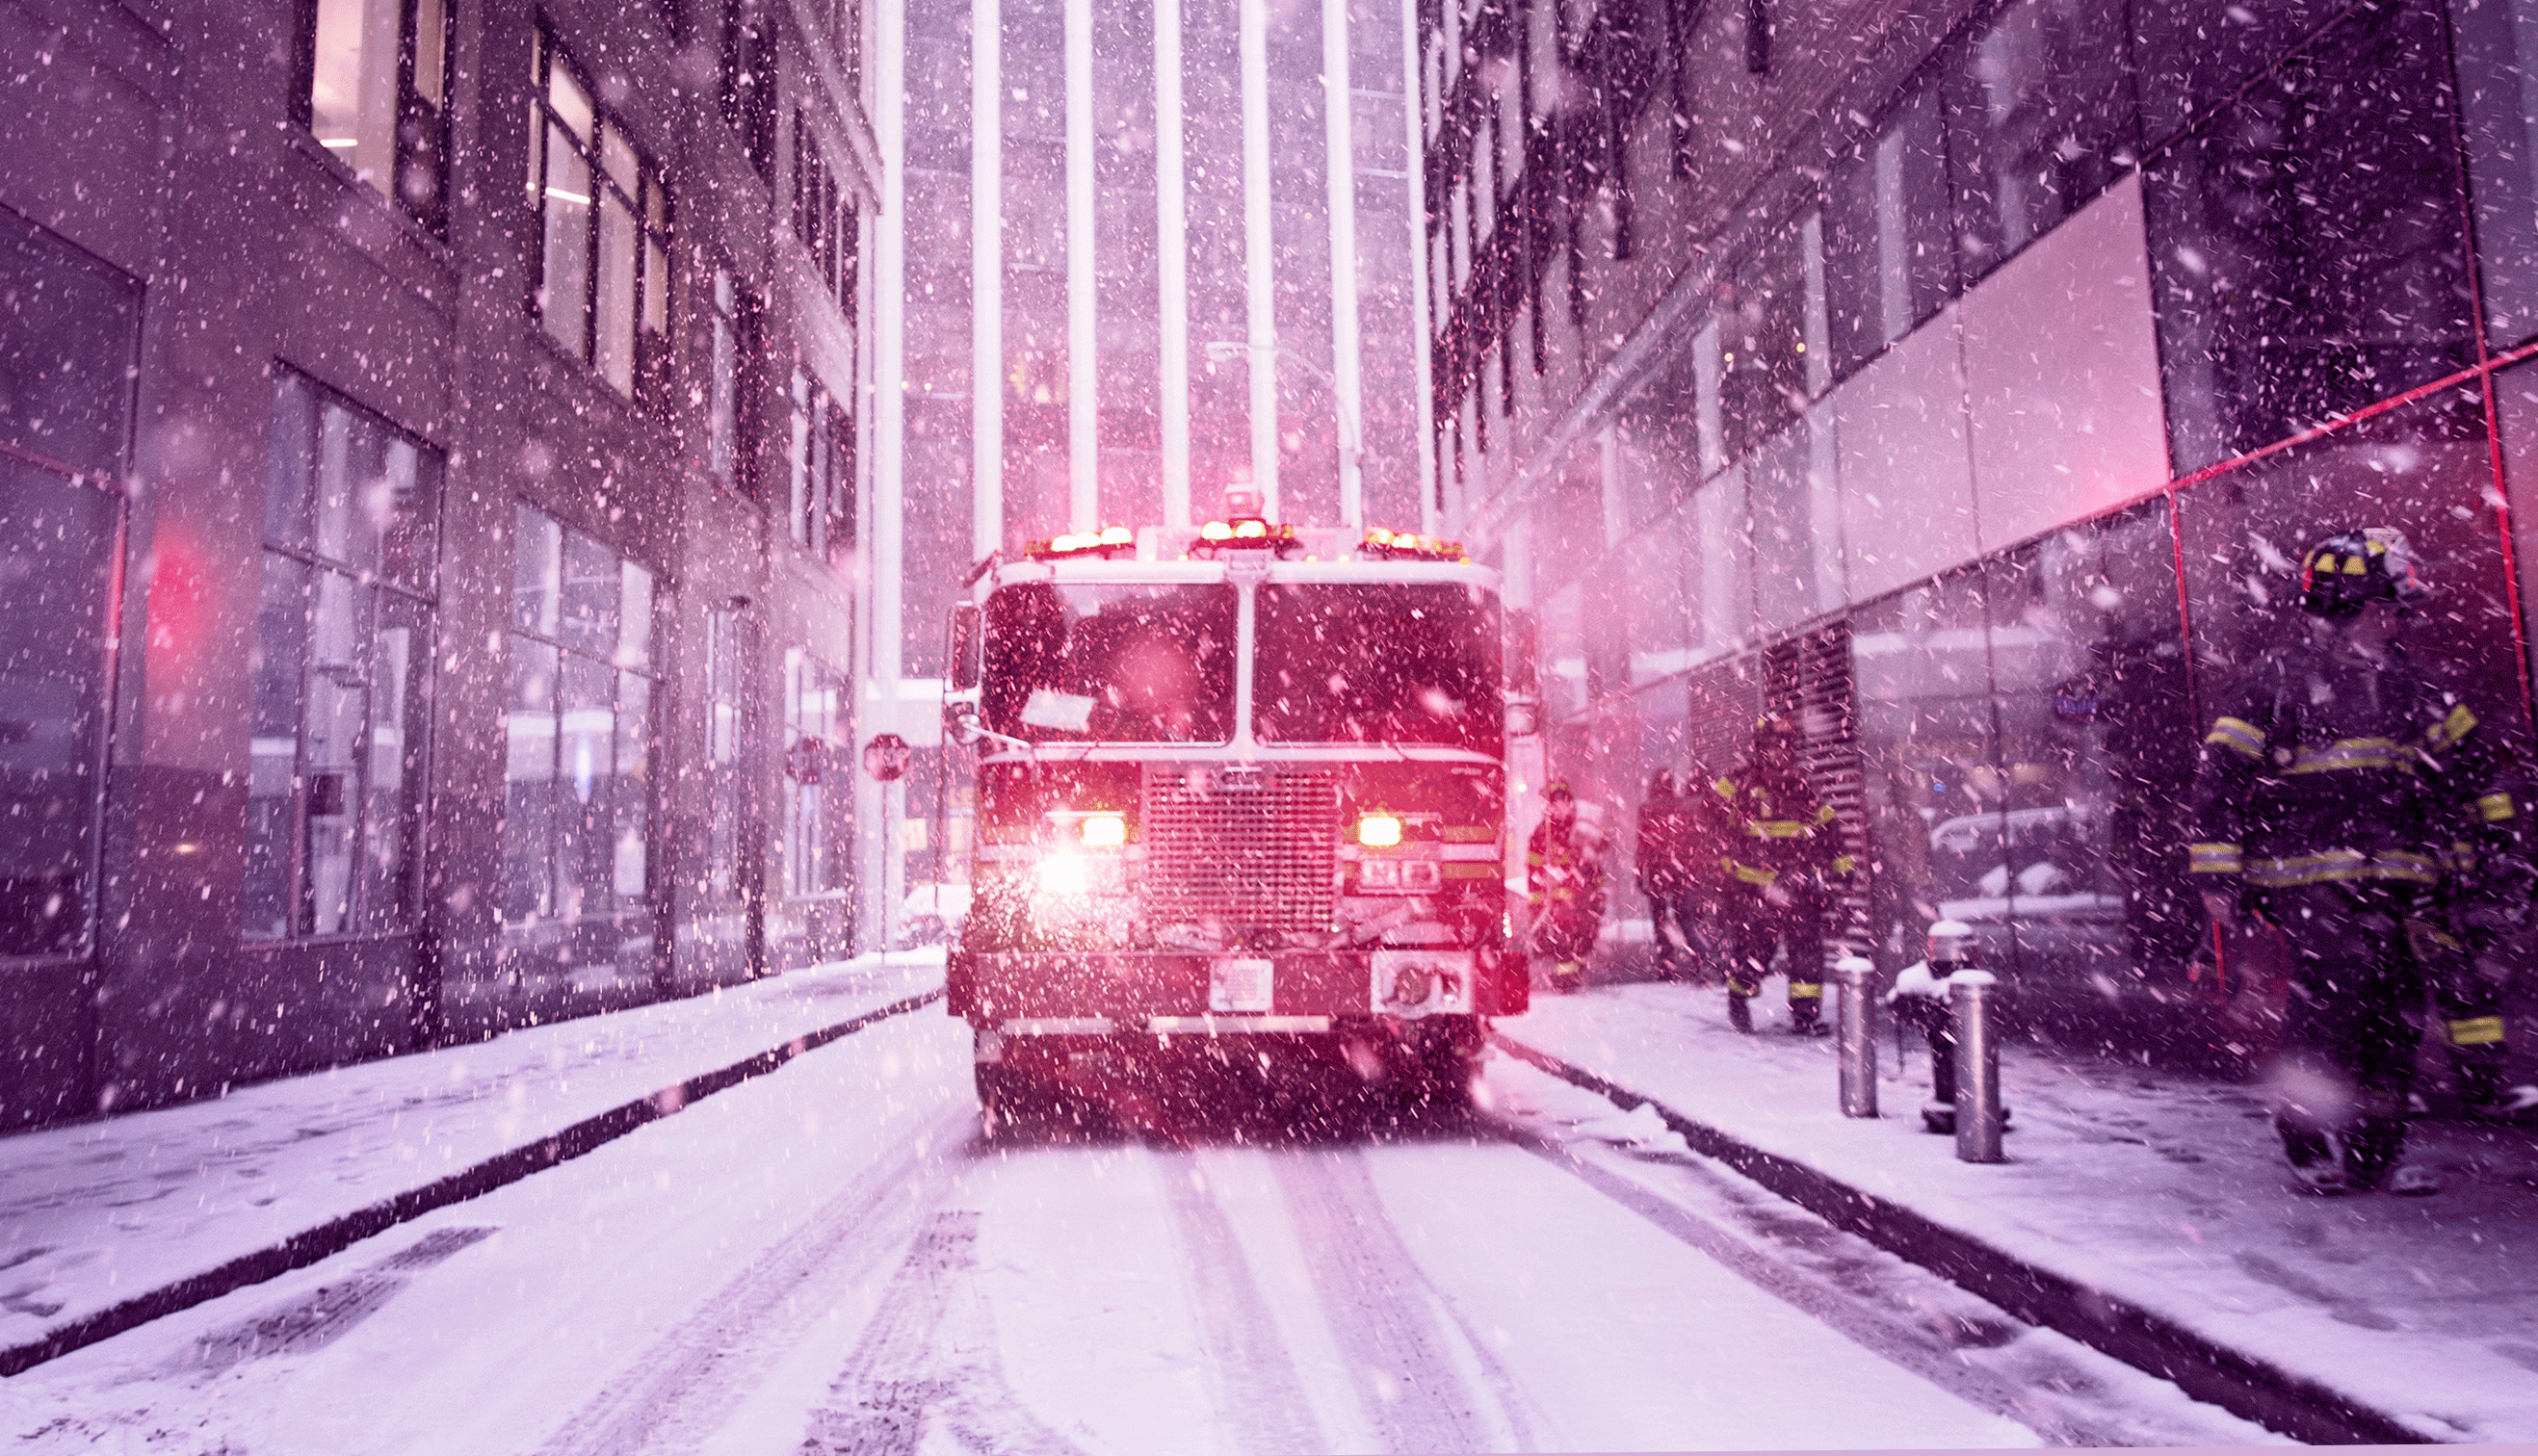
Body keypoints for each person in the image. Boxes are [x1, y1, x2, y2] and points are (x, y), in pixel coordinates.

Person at [2188, 527, 2535, 1197]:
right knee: (2328, 1018)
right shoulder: (2277, 682)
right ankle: (2307, 1141)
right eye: (2390, 605)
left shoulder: (2415, 686)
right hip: (2313, 890)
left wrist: (2496, 853)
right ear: (2355, 606)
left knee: (2394, 1022)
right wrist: (2216, 875)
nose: (2399, 618)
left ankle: (2373, 1155)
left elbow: (2474, 774)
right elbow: (2220, 779)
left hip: (2401, 891)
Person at [1713, 715, 1855, 1033]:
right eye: (1772, 747)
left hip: (1797, 888)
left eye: (1785, 747)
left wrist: (1843, 873)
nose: (1779, 754)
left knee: (1806, 949)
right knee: (1757, 951)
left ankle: (1805, 1016)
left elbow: (1829, 833)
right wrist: (1737, 874)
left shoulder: (1803, 787)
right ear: (1758, 749)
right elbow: (1710, 828)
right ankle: (1739, 995)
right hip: (1752, 889)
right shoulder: (1738, 784)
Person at [1527, 780, 1606, 994]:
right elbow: (1533, 871)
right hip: (1559, 904)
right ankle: (1565, 980)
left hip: (1584, 899)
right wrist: (1535, 907)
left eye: (1563, 802)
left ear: (1570, 803)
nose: (1558, 807)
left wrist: (1595, 892)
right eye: (1554, 803)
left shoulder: (1581, 828)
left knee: (1584, 939)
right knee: (1563, 940)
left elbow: (1595, 861)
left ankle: (1571, 972)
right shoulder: (1541, 833)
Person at [1636, 770, 1694, 979]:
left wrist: (1639, 873)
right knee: (1684, 916)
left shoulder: (1646, 809)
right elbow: (1688, 839)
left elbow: (1641, 844)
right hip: (1678, 870)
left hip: (1655, 871)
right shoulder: (1681, 807)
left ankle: (1666, 964)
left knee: (1660, 919)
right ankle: (1697, 960)